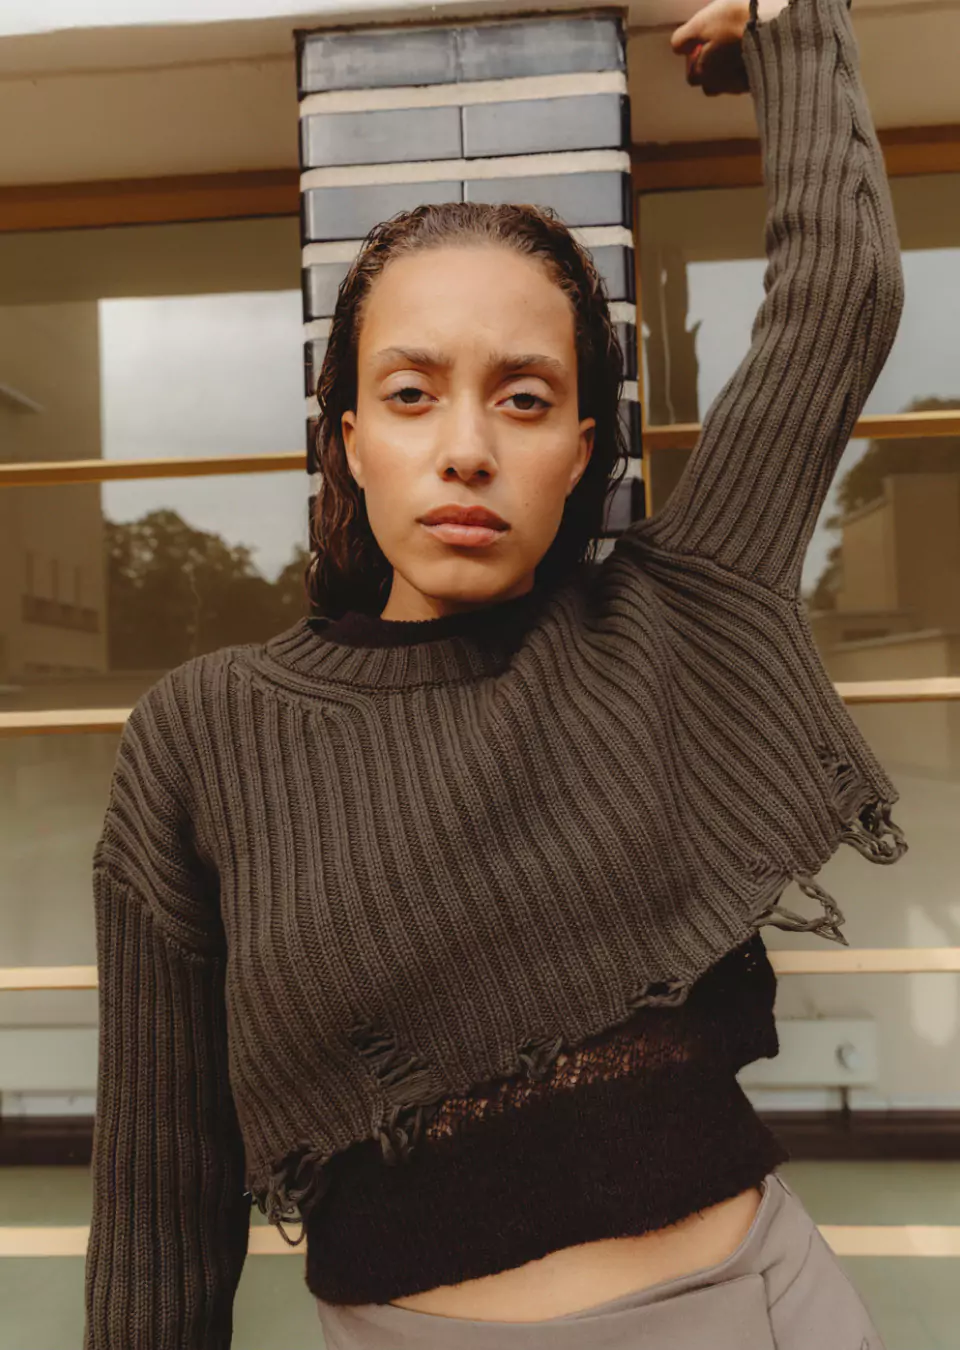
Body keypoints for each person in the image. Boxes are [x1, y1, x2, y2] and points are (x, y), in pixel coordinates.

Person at [82, 0, 908, 1345]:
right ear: (349, 437)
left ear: (582, 448)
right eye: (412, 393)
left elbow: (841, 297)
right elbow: (160, 1196)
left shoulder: (670, 618)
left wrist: (790, 24)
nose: (467, 445)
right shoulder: (206, 734)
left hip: (761, 1310)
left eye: (524, 397)